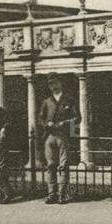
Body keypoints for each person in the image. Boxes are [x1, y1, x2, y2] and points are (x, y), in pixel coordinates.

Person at [37, 73, 81, 204]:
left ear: (60, 83)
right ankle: (52, 194)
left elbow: (78, 118)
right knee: (50, 165)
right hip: (49, 136)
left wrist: (64, 123)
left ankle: (62, 194)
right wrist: (46, 124)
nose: (53, 86)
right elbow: (40, 119)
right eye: (50, 84)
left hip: (63, 136)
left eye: (55, 83)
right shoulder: (47, 101)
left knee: (63, 165)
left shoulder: (69, 100)